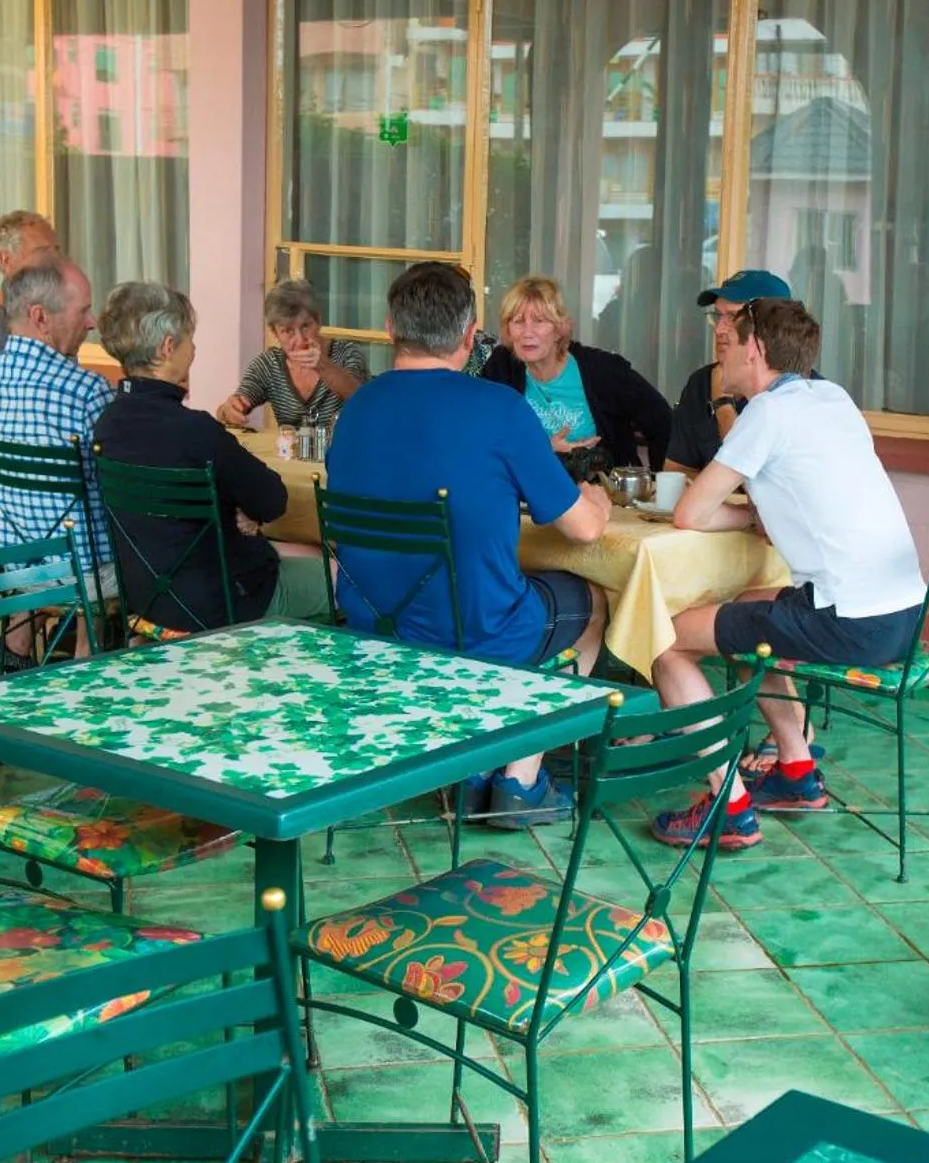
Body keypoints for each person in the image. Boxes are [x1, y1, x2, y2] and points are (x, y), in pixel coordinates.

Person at [328, 261, 612, 827]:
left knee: (495, 589)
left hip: (375, 629)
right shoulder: (500, 409)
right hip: (475, 633)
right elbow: (582, 528)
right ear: (469, 335)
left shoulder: (356, 408)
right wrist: (597, 500)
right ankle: (518, 776)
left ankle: (470, 760)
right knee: (592, 600)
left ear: (390, 327)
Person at [649, 299, 926, 852]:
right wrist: (758, 515)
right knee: (753, 602)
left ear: (757, 349)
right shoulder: (833, 398)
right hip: (903, 615)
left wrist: (745, 514)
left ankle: (727, 804)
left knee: (666, 641)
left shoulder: (765, 414)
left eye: (731, 333)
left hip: (849, 622)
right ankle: (797, 773)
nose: (721, 342)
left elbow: (688, 513)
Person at [93, 282, 330, 631]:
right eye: (190, 339)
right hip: (227, 602)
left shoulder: (107, 425)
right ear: (168, 347)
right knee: (354, 583)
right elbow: (272, 500)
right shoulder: (195, 430)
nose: (194, 349)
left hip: (148, 600)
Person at [0, 253, 113, 665]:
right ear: (40, 318)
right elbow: (119, 491)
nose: (92, 322)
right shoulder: (87, 391)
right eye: (82, 311)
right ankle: (92, 663)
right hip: (88, 578)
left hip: (15, 568)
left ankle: (15, 657)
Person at [479, 275, 671, 470]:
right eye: (518, 321)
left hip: (600, 491)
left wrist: (660, 485)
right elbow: (480, 433)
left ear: (559, 330)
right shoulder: (500, 368)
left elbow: (663, 421)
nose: (528, 332)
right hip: (528, 492)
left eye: (539, 321)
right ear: (508, 330)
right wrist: (545, 449)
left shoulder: (603, 370)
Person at [663, 269, 793, 476]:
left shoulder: (801, 392)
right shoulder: (701, 382)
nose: (719, 329)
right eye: (717, 316)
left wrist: (722, 405)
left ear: (771, 327)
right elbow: (676, 472)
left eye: (732, 317)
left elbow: (764, 486)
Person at [216, 279, 367, 430]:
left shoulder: (347, 353)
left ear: (319, 321)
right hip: (290, 452)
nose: (300, 340)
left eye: (306, 326)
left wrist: (323, 365)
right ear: (275, 333)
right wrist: (228, 410)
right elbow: (231, 407)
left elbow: (363, 399)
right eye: (288, 331)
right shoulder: (268, 365)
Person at [0, 209, 60, 355]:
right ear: (5, 259)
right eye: (42, 252)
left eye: (56, 250)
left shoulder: (58, 311)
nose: (55, 260)